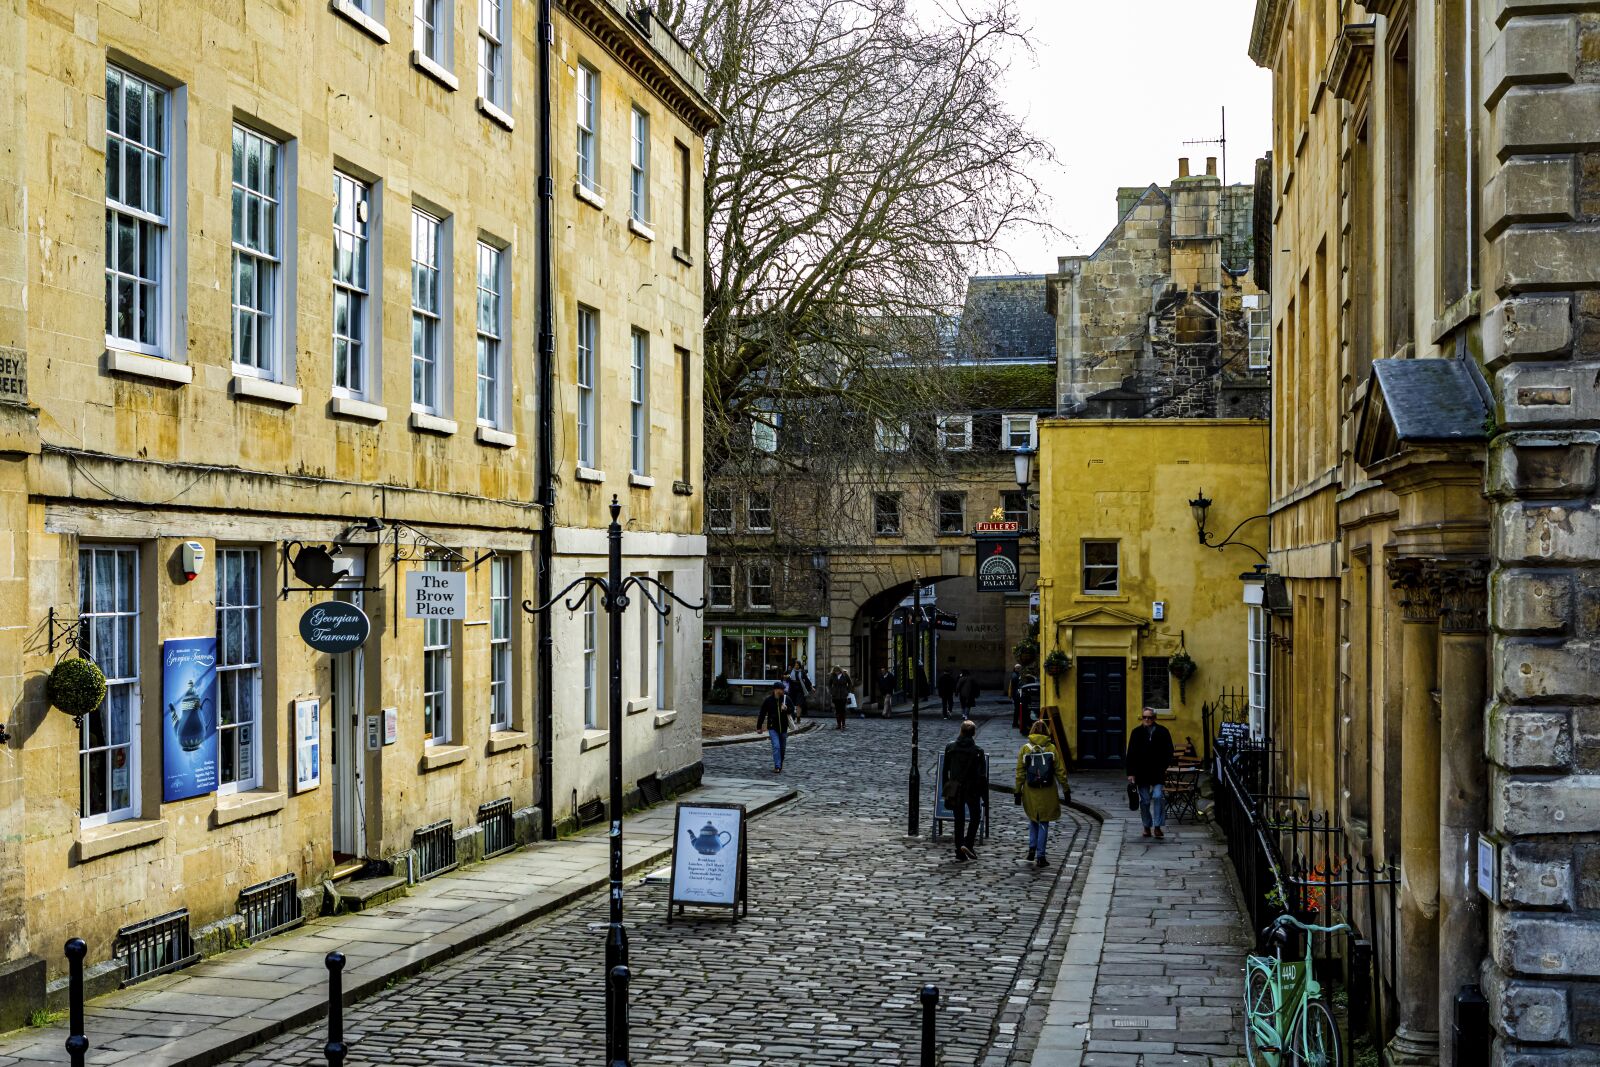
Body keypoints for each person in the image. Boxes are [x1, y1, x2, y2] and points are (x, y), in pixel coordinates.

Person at [1015, 719, 1070, 868]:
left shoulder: (1025, 749)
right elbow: (1060, 772)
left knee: (1033, 818)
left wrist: (1017, 792)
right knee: (1044, 821)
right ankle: (1041, 856)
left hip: (1030, 789)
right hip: (1047, 790)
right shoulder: (1051, 748)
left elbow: (1020, 772)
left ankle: (1032, 848)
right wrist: (1066, 789)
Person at [1126, 707, 1176, 839]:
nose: (1147, 720)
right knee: (1145, 801)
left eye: (1149, 717)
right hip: (1141, 772)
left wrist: (1165, 765)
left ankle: (1158, 827)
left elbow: (1169, 750)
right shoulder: (1136, 732)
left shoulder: (1162, 731)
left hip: (1158, 772)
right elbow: (1130, 753)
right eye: (1144, 717)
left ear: (1154, 718)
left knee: (1158, 796)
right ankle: (1147, 826)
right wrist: (1131, 773)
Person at [943, 720, 988, 861]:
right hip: (972, 789)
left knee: (959, 820)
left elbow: (945, 771)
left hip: (956, 788)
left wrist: (946, 789)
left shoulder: (950, 748)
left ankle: (959, 851)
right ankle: (968, 843)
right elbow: (982, 778)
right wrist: (985, 798)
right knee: (975, 817)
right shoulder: (978, 752)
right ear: (974, 733)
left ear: (961, 731)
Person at [755, 682, 790, 773]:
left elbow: (792, 712)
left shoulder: (786, 699)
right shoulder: (768, 701)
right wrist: (759, 727)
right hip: (772, 727)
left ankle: (780, 763)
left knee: (782, 748)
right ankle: (777, 766)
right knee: (776, 746)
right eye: (781, 689)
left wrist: (787, 709)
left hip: (783, 728)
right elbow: (762, 713)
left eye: (783, 689)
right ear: (775, 690)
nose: (783, 691)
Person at [828, 666, 853, 730]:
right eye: (835, 672)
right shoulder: (832, 675)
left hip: (843, 695)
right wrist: (831, 691)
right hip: (835, 695)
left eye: (838, 671)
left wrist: (847, 691)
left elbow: (850, 683)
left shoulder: (845, 674)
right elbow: (829, 684)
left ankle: (843, 724)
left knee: (843, 710)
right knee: (837, 710)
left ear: (840, 671)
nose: (837, 673)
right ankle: (838, 724)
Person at [1008, 663, 1026, 733]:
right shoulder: (1015, 676)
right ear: (1015, 668)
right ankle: (1015, 723)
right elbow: (1017, 686)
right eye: (1018, 668)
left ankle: (1016, 723)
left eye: (1020, 668)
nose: (1019, 669)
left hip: (1016, 695)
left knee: (1017, 710)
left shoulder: (1015, 675)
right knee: (1017, 710)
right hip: (1016, 695)